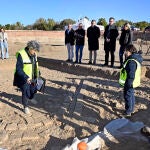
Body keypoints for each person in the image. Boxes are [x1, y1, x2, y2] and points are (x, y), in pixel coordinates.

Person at [13, 40, 40, 114]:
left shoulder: (34, 54)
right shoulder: (21, 54)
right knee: (25, 91)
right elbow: (18, 69)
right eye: (34, 50)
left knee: (33, 90)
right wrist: (26, 77)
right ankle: (25, 106)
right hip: (24, 78)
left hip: (33, 77)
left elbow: (35, 64)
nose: (35, 52)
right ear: (30, 48)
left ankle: (30, 98)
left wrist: (38, 73)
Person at [119, 44, 143, 117]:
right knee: (131, 94)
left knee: (128, 96)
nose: (124, 52)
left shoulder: (131, 61)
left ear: (130, 51)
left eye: (126, 51)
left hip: (130, 82)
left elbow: (131, 74)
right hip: (133, 82)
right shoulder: (135, 58)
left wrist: (128, 84)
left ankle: (128, 112)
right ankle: (131, 109)